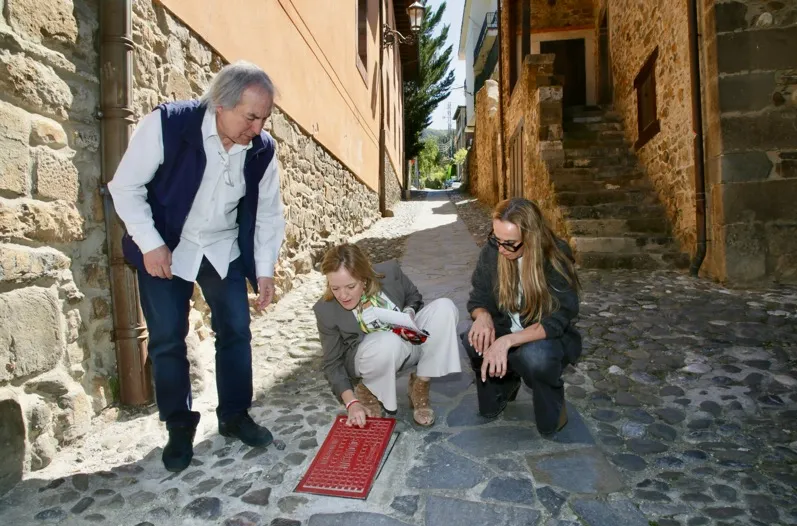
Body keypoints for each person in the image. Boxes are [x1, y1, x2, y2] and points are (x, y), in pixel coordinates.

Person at [108, 61, 285, 472]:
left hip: (222, 248)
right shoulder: (169, 124)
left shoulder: (261, 150)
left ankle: (235, 415)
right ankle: (179, 425)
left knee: (236, 331)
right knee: (168, 337)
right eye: (251, 117)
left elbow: (269, 215)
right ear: (221, 104)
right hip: (169, 245)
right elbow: (125, 187)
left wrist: (265, 270)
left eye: (264, 118)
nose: (257, 128)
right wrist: (150, 244)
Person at [463, 198, 581, 437]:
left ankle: (553, 402)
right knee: (474, 339)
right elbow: (478, 297)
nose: (501, 248)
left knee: (535, 357)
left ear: (532, 238)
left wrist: (506, 342)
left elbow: (557, 319)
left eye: (510, 244)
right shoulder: (492, 252)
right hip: (506, 328)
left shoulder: (555, 257)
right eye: (496, 239)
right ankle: (505, 383)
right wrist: (482, 316)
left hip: (542, 338)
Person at [314, 243, 462, 427]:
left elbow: (413, 296)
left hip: (410, 344)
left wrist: (408, 314)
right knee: (387, 340)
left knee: (445, 307)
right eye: (335, 288)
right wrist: (351, 402)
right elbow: (332, 363)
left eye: (350, 286)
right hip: (371, 358)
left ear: (364, 278)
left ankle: (420, 384)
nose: (343, 295)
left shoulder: (390, 272)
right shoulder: (325, 309)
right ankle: (368, 388)